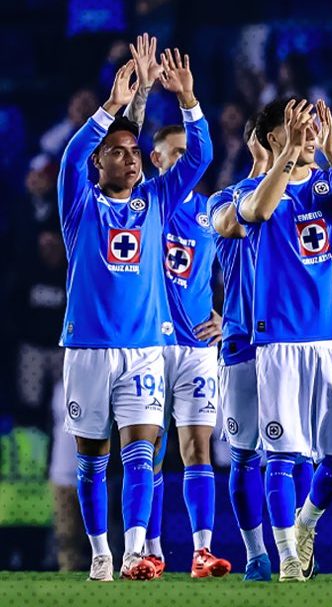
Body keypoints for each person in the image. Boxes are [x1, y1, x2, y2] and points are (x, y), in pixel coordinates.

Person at [58, 47, 211, 582]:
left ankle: (133, 552)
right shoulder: (80, 207)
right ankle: (99, 550)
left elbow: (197, 160)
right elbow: (70, 160)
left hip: (144, 347)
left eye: (135, 152)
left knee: (141, 451)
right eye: (118, 152)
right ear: (99, 163)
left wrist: (188, 100)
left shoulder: (157, 202)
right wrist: (111, 107)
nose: (131, 158)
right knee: (93, 458)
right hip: (87, 348)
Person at [238, 97, 332, 582]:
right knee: (281, 455)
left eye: (314, 124)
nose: (310, 131)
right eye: (298, 125)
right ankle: (287, 560)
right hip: (279, 342)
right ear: (274, 136)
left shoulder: (327, 183)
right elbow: (257, 212)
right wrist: (287, 155)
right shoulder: (256, 189)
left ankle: (305, 526)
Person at [120, 35, 230, 578]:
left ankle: (202, 549)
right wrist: (144, 92)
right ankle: (148, 550)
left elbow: (241, 268)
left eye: (187, 155)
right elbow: (130, 140)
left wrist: (229, 315)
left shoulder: (211, 212)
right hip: (148, 341)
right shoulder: (145, 203)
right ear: (154, 159)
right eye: (175, 154)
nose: (185, 161)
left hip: (197, 346)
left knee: (197, 448)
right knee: (150, 447)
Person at [209, 118, 273, 581]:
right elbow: (234, 223)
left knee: (297, 452)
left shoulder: (307, 195)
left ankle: (296, 547)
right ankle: (256, 554)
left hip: (290, 341)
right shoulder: (225, 198)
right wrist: (262, 169)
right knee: (245, 453)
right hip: (241, 342)